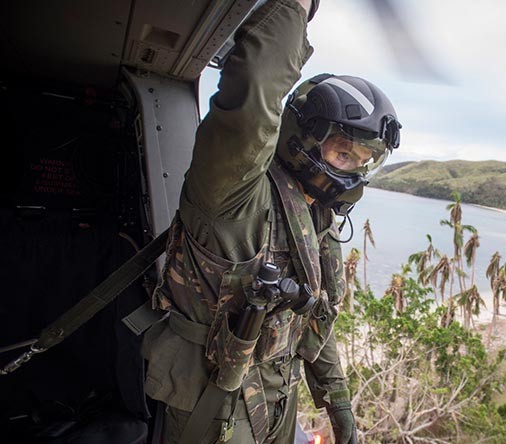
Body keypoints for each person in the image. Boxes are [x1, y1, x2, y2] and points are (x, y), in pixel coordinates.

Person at [139, 0, 401, 442]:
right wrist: (297, 7)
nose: (351, 170)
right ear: (301, 136)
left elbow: (315, 319)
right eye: (342, 152)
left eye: (363, 161)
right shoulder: (235, 193)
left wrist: (339, 406)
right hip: (213, 400)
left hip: (279, 393)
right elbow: (252, 97)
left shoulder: (317, 219)